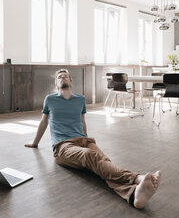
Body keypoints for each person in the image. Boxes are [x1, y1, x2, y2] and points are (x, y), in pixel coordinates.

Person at [25, 69, 161, 209]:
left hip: (84, 141)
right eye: (59, 77)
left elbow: (82, 122)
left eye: (65, 76)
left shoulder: (80, 99)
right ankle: (137, 178)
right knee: (91, 156)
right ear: (56, 83)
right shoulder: (50, 99)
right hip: (62, 147)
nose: (62, 78)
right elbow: (43, 122)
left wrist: (86, 140)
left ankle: (133, 195)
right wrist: (35, 143)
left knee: (103, 163)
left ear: (71, 82)